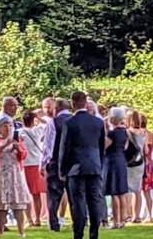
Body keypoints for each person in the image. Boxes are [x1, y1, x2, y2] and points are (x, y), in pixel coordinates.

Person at [58, 92, 105, 239]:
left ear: (73, 103)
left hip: (75, 167)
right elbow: (101, 146)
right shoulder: (98, 122)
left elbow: (64, 148)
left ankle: (78, 233)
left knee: (77, 202)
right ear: (85, 103)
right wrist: (100, 164)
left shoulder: (69, 123)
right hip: (94, 165)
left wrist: (62, 170)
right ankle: (94, 233)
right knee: (94, 201)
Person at [0, 117, 30, 237]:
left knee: (18, 204)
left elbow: (23, 155)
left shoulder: (16, 141)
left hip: (14, 174)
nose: (8, 128)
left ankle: (21, 232)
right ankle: (0, 231)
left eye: (10, 125)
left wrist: (18, 148)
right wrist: (5, 144)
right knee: (0, 205)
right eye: (5, 125)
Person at [45, 98, 72, 231]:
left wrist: (44, 162)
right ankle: (78, 221)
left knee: (53, 195)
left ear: (57, 109)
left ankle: (54, 224)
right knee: (75, 194)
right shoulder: (75, 121)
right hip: (74, 162)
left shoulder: (53, 122)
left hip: (56, 161)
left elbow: (48, 144)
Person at [103, 107, 130, 229]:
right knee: (122, 192)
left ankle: (116, 221)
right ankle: (123, 219)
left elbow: (103, 146)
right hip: (121, 160)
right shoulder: (125, 132)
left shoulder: (112, 133)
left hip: (112, 161)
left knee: (114, 192)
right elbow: (125, 147)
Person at [20, 111, 47, 229]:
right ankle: (37, 218)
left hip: (25, 165)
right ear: (33, 120)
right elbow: (47, 124)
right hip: (37, 164)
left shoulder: (20, 133)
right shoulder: (37, 131)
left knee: (26, 193)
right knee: (36, 194)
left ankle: (29, 219)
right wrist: (38, 117)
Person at [124, 111, 148, 224]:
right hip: (140, 162)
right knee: (137, 190)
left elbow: (125, 147)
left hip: (129, 162)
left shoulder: (127, 132)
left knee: (126, 189)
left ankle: (126, 213)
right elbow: (145, 150)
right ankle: (136, 215)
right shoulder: (143, 132)